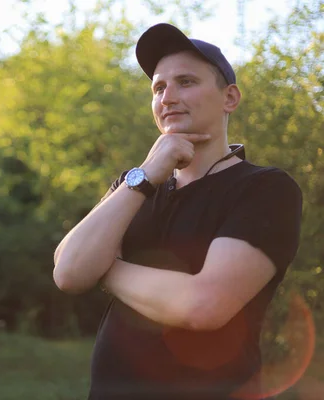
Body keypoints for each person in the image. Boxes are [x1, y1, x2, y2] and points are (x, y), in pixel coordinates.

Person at [52, 23, 303, 400]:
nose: (168, 97)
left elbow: (204, 305)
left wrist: (104, 268)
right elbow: (68, 272)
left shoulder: (265, 188)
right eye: (158, 87)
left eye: (186, 82)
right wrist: (147, 175)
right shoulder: (134, 185)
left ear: (229, 98)